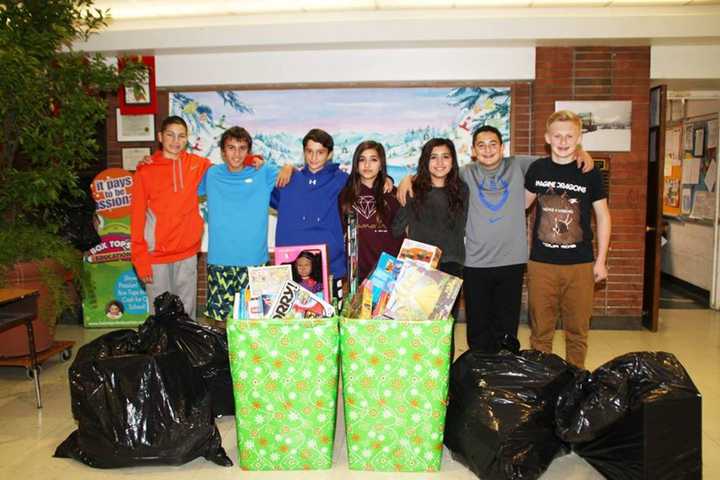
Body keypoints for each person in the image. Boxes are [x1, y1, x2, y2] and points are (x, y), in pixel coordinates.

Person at [397, 126, 593, 354]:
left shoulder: (519, 165)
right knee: (478, 329)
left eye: (493, 144)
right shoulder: (465, 174)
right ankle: (479, 378)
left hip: (512, 261)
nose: (487, 149)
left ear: (502, 148)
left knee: (507, 329)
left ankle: (502, 380)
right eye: (481, 145)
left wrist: (580, 152)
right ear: (473, 151)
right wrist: (406, 179)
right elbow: (436, 174)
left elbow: (556, 159)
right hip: (474, 262)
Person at [525, 110, 611, 369]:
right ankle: (544, 385)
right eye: (557, 136)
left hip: (580, 265)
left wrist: (601, 261)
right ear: (547, 138)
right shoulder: (537, 169)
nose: (563, 141)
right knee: (541, 335)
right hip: (542, 264)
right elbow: (520, 205)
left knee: (577, 334)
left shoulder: (589, 173)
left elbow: (604, 217)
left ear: (579, 138)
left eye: (569, 136)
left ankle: (575, 383)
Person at [200, 126, 293, 321]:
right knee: (220, 321)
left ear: (248, 151)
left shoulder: (263, 172)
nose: (236, 153)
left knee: (257, 320)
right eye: (231, 148)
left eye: (242, 148)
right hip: (220, 260)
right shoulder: (211, 174)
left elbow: (291, 173)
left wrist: (288, 166)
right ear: (223, 152)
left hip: (255, 261)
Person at [130, 116, 212, 319]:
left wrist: (249, 160)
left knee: (186, 314)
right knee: (159, 315)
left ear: (187, 139)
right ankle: (159, 351)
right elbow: (137, 217)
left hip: (186, 253)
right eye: (170, 135)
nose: (176, 141)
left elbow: (229, 167)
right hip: (156, 255)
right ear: (160, 137)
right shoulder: (145, 171)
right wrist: (139, 258)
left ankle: (185, 352)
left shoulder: (197, 164)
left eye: (181, 136)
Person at [392, 138, 469, 324]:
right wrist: (408, 183)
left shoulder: (462, 190)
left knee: (445, 325)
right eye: (433, 157)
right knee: (417, 324)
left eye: (445, 157)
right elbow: (396, 229)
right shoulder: (413, 189)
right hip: (419, 265)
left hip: (452, 264)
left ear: (453, 161)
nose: (440, 163)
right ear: (425, 161)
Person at [339, 140, 404, 282]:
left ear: (381, 164)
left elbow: (402, 234)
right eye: (362, 160)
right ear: (356, 165)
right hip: (356, 272)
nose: (367, 165)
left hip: (387, 271)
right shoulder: (345, 195)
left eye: (373, 160)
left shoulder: (393, 194)